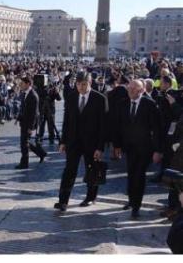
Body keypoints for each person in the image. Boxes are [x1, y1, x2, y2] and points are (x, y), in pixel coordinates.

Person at [54, 72, 108, 212]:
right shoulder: (71, 97)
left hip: (92, 143)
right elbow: (66, 121)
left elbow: (103, 125)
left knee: (92, 169)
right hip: (73, 141)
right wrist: (63, 141)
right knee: (69, 170)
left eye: (84, 84)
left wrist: (100, 147)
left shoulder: (100, 99)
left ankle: (90, 197)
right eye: (78, 84)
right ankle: (63, 201)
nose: (81, 87)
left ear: (90, 83)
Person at [113, 79, 162, 219]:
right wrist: (117, 145)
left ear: (141, 90)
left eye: (134, 88)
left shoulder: (150, 104)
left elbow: (157, 129)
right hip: (129, 147)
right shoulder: (122, 104)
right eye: (129, 88)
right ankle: (131, 200)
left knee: (139, 175)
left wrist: (158, 150)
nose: (130, 90)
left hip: (145, 148)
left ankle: (136, 206)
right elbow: (117, 126)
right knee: (131, 173)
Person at [15, 76, 46, 169]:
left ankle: (24, 163)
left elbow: (34, 113)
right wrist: (18, 117)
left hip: (28, 123)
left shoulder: (33, 96)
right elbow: (23, 108)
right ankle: (41, 153)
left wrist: (30, 127)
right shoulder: (25, 93)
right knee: (25, 142)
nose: (20, 85)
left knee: (24, 144)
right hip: (24, 121)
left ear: (28, 84)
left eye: (22, 83)